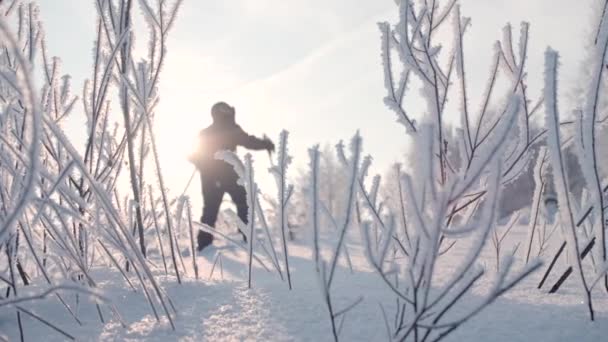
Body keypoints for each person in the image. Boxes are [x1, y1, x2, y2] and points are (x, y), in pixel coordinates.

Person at [188, 102, 274, 251]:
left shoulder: (206, 133)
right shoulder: (231, 129)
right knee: (241, 203)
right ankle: (247, 236)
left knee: (211, 209)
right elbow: (249, 141)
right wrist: (266, 144)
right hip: (226, 175)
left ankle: (204, 245)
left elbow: (194, 154)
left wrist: (200, 163)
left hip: (211, 177)